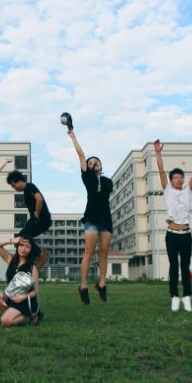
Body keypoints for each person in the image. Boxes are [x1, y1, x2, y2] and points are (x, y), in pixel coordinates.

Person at [154, 139, 192, 312]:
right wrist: (158, 153)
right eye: (175, 177)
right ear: (171, 180)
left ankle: (187, 296)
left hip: (186, 235)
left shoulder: (187, 190)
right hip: (171, 235)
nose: (179, 179)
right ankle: (174, 296)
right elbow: (161, 170)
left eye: (181, 177)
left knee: (185, 267)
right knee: (174, 267)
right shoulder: (167, 190)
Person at [67, 129, 113, 304]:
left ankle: (101, 285)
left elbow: (103, 195)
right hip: (92, 218)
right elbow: (81, 155)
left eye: (96, 161)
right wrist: (73, 137)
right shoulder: (87, 177)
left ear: (101, 164)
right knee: (89, 252)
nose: (94, 163)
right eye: (91, 162)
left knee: (104, 253)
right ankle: (84, 286)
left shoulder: (108, 181)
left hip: (106, 219)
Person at [0, 235, 42, 326]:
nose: (23, 249)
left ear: (31, 250)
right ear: (17, 246)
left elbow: (36, 291)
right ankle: (13, 315)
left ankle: (30, 315)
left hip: (24, 302)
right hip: (11, 298)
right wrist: (12, 241)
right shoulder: (11, 259)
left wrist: (23, 297)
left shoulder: (32, 268)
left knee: (5, 321)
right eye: (21, 245)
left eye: (27, 247)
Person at [6, 170, 51, 268]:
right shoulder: (26, 191)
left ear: (18, 181)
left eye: (13, 185)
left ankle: (41, 254)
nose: (14, 188)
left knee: (23, 236)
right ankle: (30, 258)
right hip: (36, 219)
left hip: (42, 220)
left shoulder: (29, 187)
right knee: (21, 237)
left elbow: (39, 199)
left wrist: (37, 214)